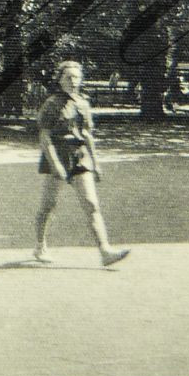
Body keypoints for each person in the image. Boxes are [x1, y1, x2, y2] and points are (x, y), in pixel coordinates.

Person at [33, 60, 130, 267]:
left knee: (91, 204)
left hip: (79, 157)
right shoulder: (51, 104)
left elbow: (87, 134)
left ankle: (105, 251)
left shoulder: (83, 103)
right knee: (48, 206)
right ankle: (40, 246)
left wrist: (95, 162)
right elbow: (45, 137)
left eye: (76, 77)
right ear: (59, 80)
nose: (73, 81)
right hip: (57, 157)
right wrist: (56, 164)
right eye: (68, 77)